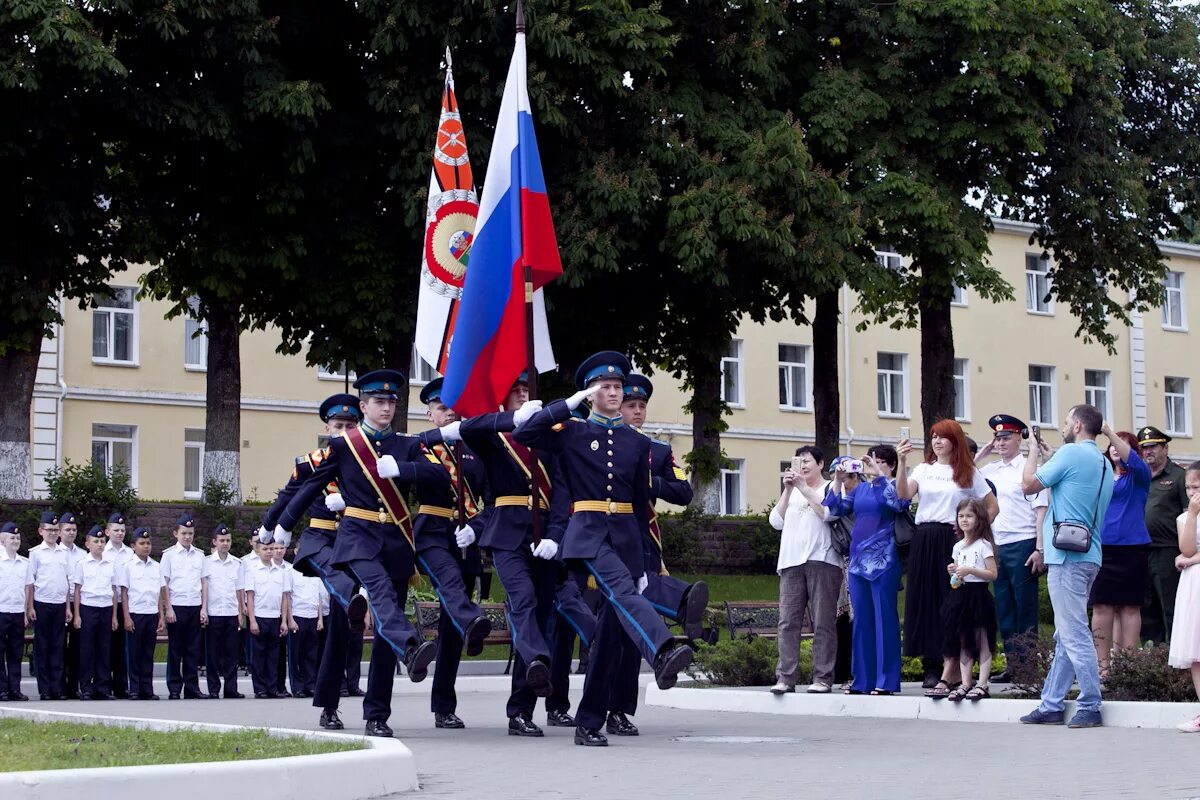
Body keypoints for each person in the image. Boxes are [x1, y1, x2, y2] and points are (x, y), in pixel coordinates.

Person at [516, 351, 694, 747]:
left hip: (626, 537)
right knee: (623, 592)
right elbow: (524, 435)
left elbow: (637, 499)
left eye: (617, 386)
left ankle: (589, 722)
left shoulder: (635, 443)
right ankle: (663, 649)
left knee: (611, 636)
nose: (613, 392)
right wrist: (565, 405)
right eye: (605, 387)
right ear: (591, 392)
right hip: (588, 533)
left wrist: (647, 557)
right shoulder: (572, 431)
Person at [272, 368, 445, 737]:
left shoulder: (407, 445)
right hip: (356, 540)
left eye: (391, 402)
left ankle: (377, 714)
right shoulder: (344, 446)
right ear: (364, 405)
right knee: (343, 626)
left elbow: (440, 476)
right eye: (378, 402)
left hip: (396, 541)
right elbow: (308, 485)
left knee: (385, 627)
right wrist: (284, 524)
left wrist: (405, 469)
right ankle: (332, 702)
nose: (386, 408)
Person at [459, 373, 573, 737]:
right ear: (504, 401)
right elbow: (469, 428)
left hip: (542, 537)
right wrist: (512, 422)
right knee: (521, 599)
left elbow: (562, 494)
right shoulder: (496, 438)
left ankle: (523, 706)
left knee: (541, 613)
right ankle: (535, 666)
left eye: (526, 392)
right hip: (507, 535)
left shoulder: (551, 440)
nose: (522, 397)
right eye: (515, 393)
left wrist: (556, 534)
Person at [260, 392, 368, 727]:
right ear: (327, 427)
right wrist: (268, 526)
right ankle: (328, 707)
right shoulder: (310, 463)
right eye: (339, 425)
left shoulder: (367, 461)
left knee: (344, 633)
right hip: (325, 545)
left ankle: (356, 704)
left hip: (356, 544)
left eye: (351, 425)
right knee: (337, 630)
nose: (344, 430)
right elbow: (289, 496)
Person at [606, 373, 704, 735]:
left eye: (640, 406)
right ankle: (679, 600)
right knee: (602, 630)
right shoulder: (602, 442)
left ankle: (619, 710)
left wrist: (649, 481)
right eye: (630, 405)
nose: (636, 411)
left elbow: (683, 491)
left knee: (630, 630)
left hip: (641, 542)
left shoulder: (657, 451)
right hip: (602, 542)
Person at [1020, 403, 1114, 729]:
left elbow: (1028, 484)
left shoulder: (1071, 454)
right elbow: (1074, 490)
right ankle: (1051, 703)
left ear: (1076, 425)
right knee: (1066, 633)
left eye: (1064, 422)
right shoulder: (1102, 462)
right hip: (1089, 554)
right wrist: (1052, 458)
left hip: (1066, 557)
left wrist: (1032, 450)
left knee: (1074, 633)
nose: (1062, 427)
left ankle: (1090, 703)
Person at [412, 376, 492, 729]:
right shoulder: (420, 448)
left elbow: (493, 500)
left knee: (452, 628)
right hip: (431, 533)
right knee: (454, 598)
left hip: (466, 540)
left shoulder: (478, 449)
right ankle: (413, 650)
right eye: (442, 408)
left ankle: (444, 704)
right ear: (430, 414)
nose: (450, 413)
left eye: (454, 407)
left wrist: (476, 528)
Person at [897, 419, 997, 688]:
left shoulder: (968, 471)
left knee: (951, 601)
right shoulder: (924, 469)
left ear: (955, 441)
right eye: (933, 437)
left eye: (942, 437)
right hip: (924, 537)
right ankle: (932, 665)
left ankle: (950, 664)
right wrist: (902, 462)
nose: (937, 442)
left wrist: (972, 534)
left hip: (952, 539)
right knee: (925, 600)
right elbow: (904, 494)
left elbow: (991, 506)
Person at [825, 445, 907, 695]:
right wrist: (838, 482)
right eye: (870, 461)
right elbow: (834, 509)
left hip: (884, 560)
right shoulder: (860, 489)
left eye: (880, 461)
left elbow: (898, 504)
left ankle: (886, 681)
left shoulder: (891, 485)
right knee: (861, 621)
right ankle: (862, 680)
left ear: (890, 465)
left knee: (885, 620)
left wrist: (879, 476)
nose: (873, 465)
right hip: (858, 562)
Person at [975, 415, 1049, 681]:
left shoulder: (1028, 469)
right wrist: (982, 454)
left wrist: (1040, 548)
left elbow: (1041, 511)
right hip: (998, 544)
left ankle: (1028, 665)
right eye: (997, 439)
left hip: (1024, 541)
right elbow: (963, 477)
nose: (1001, 443)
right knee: (1004, 606)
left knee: (1024, 606)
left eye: (1006, 438)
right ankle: (1012, 664)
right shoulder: (990, 470)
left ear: (1020, 438)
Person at [768, 445, 842, 695]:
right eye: (799, 461)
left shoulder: (830, 487)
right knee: (787, 622)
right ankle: (785, 678)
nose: (803, 465)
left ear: (821, 464)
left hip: (822, 560)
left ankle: (822, 677)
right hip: (790, 562)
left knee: (823, 622)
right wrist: (788, 490)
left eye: (808, 460)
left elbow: (829, 513)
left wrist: (803, 487)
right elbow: (775, 522)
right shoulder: (793, 491)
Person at [1090, 425, 1151, 671]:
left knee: (1129, 606)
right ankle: (1102, 666)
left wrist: (1109, 432)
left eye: (1121, 445)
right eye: (1112, 445)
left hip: (1132, 548)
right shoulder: (1101, 476)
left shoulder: (1138, 476)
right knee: (1102, 606)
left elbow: (1134, 462)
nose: (1115, 447)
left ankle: (1128, 666)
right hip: (1102, 547)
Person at [929, 498, 999, 702]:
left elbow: (992, 574)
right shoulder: (958, 546)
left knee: (983, 640)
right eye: (961, 516)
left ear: (979, 519)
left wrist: (971, 570)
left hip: (979, 596)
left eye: (969, 516)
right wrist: (954, 572)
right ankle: (965, 682)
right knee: (962, 641)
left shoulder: (984, 545)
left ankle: (982, 683)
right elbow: (956, 580)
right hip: (960, 597)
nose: (964, 520)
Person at [1139, 425, 1190, 644]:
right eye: (1144, 448)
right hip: (1141, 550)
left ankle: (1175, 658)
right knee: (1146, 607)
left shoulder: (1179, 476)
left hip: (1168, 551)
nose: (1148, 452)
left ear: (1165, 449)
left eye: (1153, 447)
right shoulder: (1141, 476)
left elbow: (1190, 515)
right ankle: (1152, 658)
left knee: (1170, 606)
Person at [160, 512, 210, 699]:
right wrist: (168, 608)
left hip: (194, 606)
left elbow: (204, 582)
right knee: (175, 649)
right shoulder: (169, 556)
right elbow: (164, 583)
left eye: (190, 533)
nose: (187, 537)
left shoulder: (199, 555)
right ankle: (174, 688)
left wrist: (204, 608)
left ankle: (192, 687)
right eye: (184, 533)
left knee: (193, 649)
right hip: (177, 607)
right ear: (176, 534)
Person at [1168, 461, 1200, 732]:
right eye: (1188, 487)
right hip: (1193, 584)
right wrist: (1191, 515)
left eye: (1197, 486)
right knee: (1195, 651)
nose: (1192, 492)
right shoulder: (1184, 517)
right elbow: (1186, 549)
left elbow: (1189, 558)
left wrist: (1191, 560)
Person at [24, 511, 69, 700]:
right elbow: (30, 582)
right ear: (41, 531)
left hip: (59, 604)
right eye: (49, 530)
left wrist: (67, 608)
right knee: (43, 647)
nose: (52, 533)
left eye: (55, 530)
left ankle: (57, 688)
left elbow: (67, 581)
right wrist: (30, 607)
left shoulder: (64, 553)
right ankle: (44, 689)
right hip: (41, 604)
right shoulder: (35, 554)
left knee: (58, 647)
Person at [72, 525, 119, 700]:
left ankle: (103, 687)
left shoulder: (110, 564)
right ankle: (86, 687)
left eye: (102, 541)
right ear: (87, 544)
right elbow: (77, 590)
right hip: (88, 608)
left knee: (104, 649)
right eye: (96, 541)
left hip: (105, 608)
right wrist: (77, 614)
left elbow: (114, 591)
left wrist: (114, 615)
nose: (100, 544)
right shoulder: (82, 564)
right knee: (87, 649)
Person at [119, 527, 165, 701]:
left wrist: (161, 615)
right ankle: (134, 689)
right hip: (135, 613)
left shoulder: (156, 566)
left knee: (148, 653)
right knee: (134, 653)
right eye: (142, 543)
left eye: (148, 543)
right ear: (133, 546)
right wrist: (127, 617)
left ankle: (147, 689)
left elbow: (159, 593)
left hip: (151, 613)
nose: (146, 546)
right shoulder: (128, 567)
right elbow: (124, 593)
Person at [244, 539, 293, 698]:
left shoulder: (281, 571)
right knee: (259, 655)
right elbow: (250, 597)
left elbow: (284, 597)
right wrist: (252, 620)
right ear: (258, 551)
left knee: (274, 655)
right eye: (266, 549)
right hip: (259, 616)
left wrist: (284, 620)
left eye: (271, 549)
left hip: (275, 617)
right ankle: (260, 688)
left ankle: (272, 688)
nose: (270, 552)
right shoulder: (252, 571)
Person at [202, 524, 244, 698]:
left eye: (227, 540)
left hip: (231, 613)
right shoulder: (206, 562)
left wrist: (241, 613)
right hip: (213, 613)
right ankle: (213, 689)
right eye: (221, 540)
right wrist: (203, 609)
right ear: (214, 542)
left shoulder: (237, 563)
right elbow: (204, 587)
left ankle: (231, 688)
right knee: (212, 653)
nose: (225, 543)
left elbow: (239, 589)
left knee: (231, 653)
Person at [101, 512, 135, 698]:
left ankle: (122, 686)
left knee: (123, 648)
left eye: (122, 530)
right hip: (107, 605)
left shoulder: (130, 553)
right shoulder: (102, 552)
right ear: (107, 531)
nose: (119, 533)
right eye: (116, 530)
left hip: (126, 606)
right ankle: (105, 685)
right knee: (107, 647)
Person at [57, 512, 85, 699]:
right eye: (67, 529)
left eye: (74, 529)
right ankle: (59, 686)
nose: (71, 533)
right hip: (59, 603)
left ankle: (74, 686)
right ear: (59, 532)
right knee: (59, 647)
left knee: (77, 647)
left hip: (79, 604)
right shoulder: (55, 552)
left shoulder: (82, 554)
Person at [0, 523, 29, 701]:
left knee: (16, 653)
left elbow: (26, 589)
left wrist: (25, 612)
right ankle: (2, 689)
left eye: (17, 538)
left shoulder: (23, 563)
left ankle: (14, 689)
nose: (15, 541)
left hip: (17, 612)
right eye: (12, 538)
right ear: (2, 540)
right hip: (1, 611)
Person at [288, 569, 327, 698]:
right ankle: (297, 687)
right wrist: (290, 619)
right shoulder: (291, 572)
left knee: (311, 654)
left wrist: (320, 618)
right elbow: (287, 597)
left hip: (313, 616)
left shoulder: (316, 573)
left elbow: (319, 597)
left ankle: (310, 685)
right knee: (296, 654)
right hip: (298, 615)